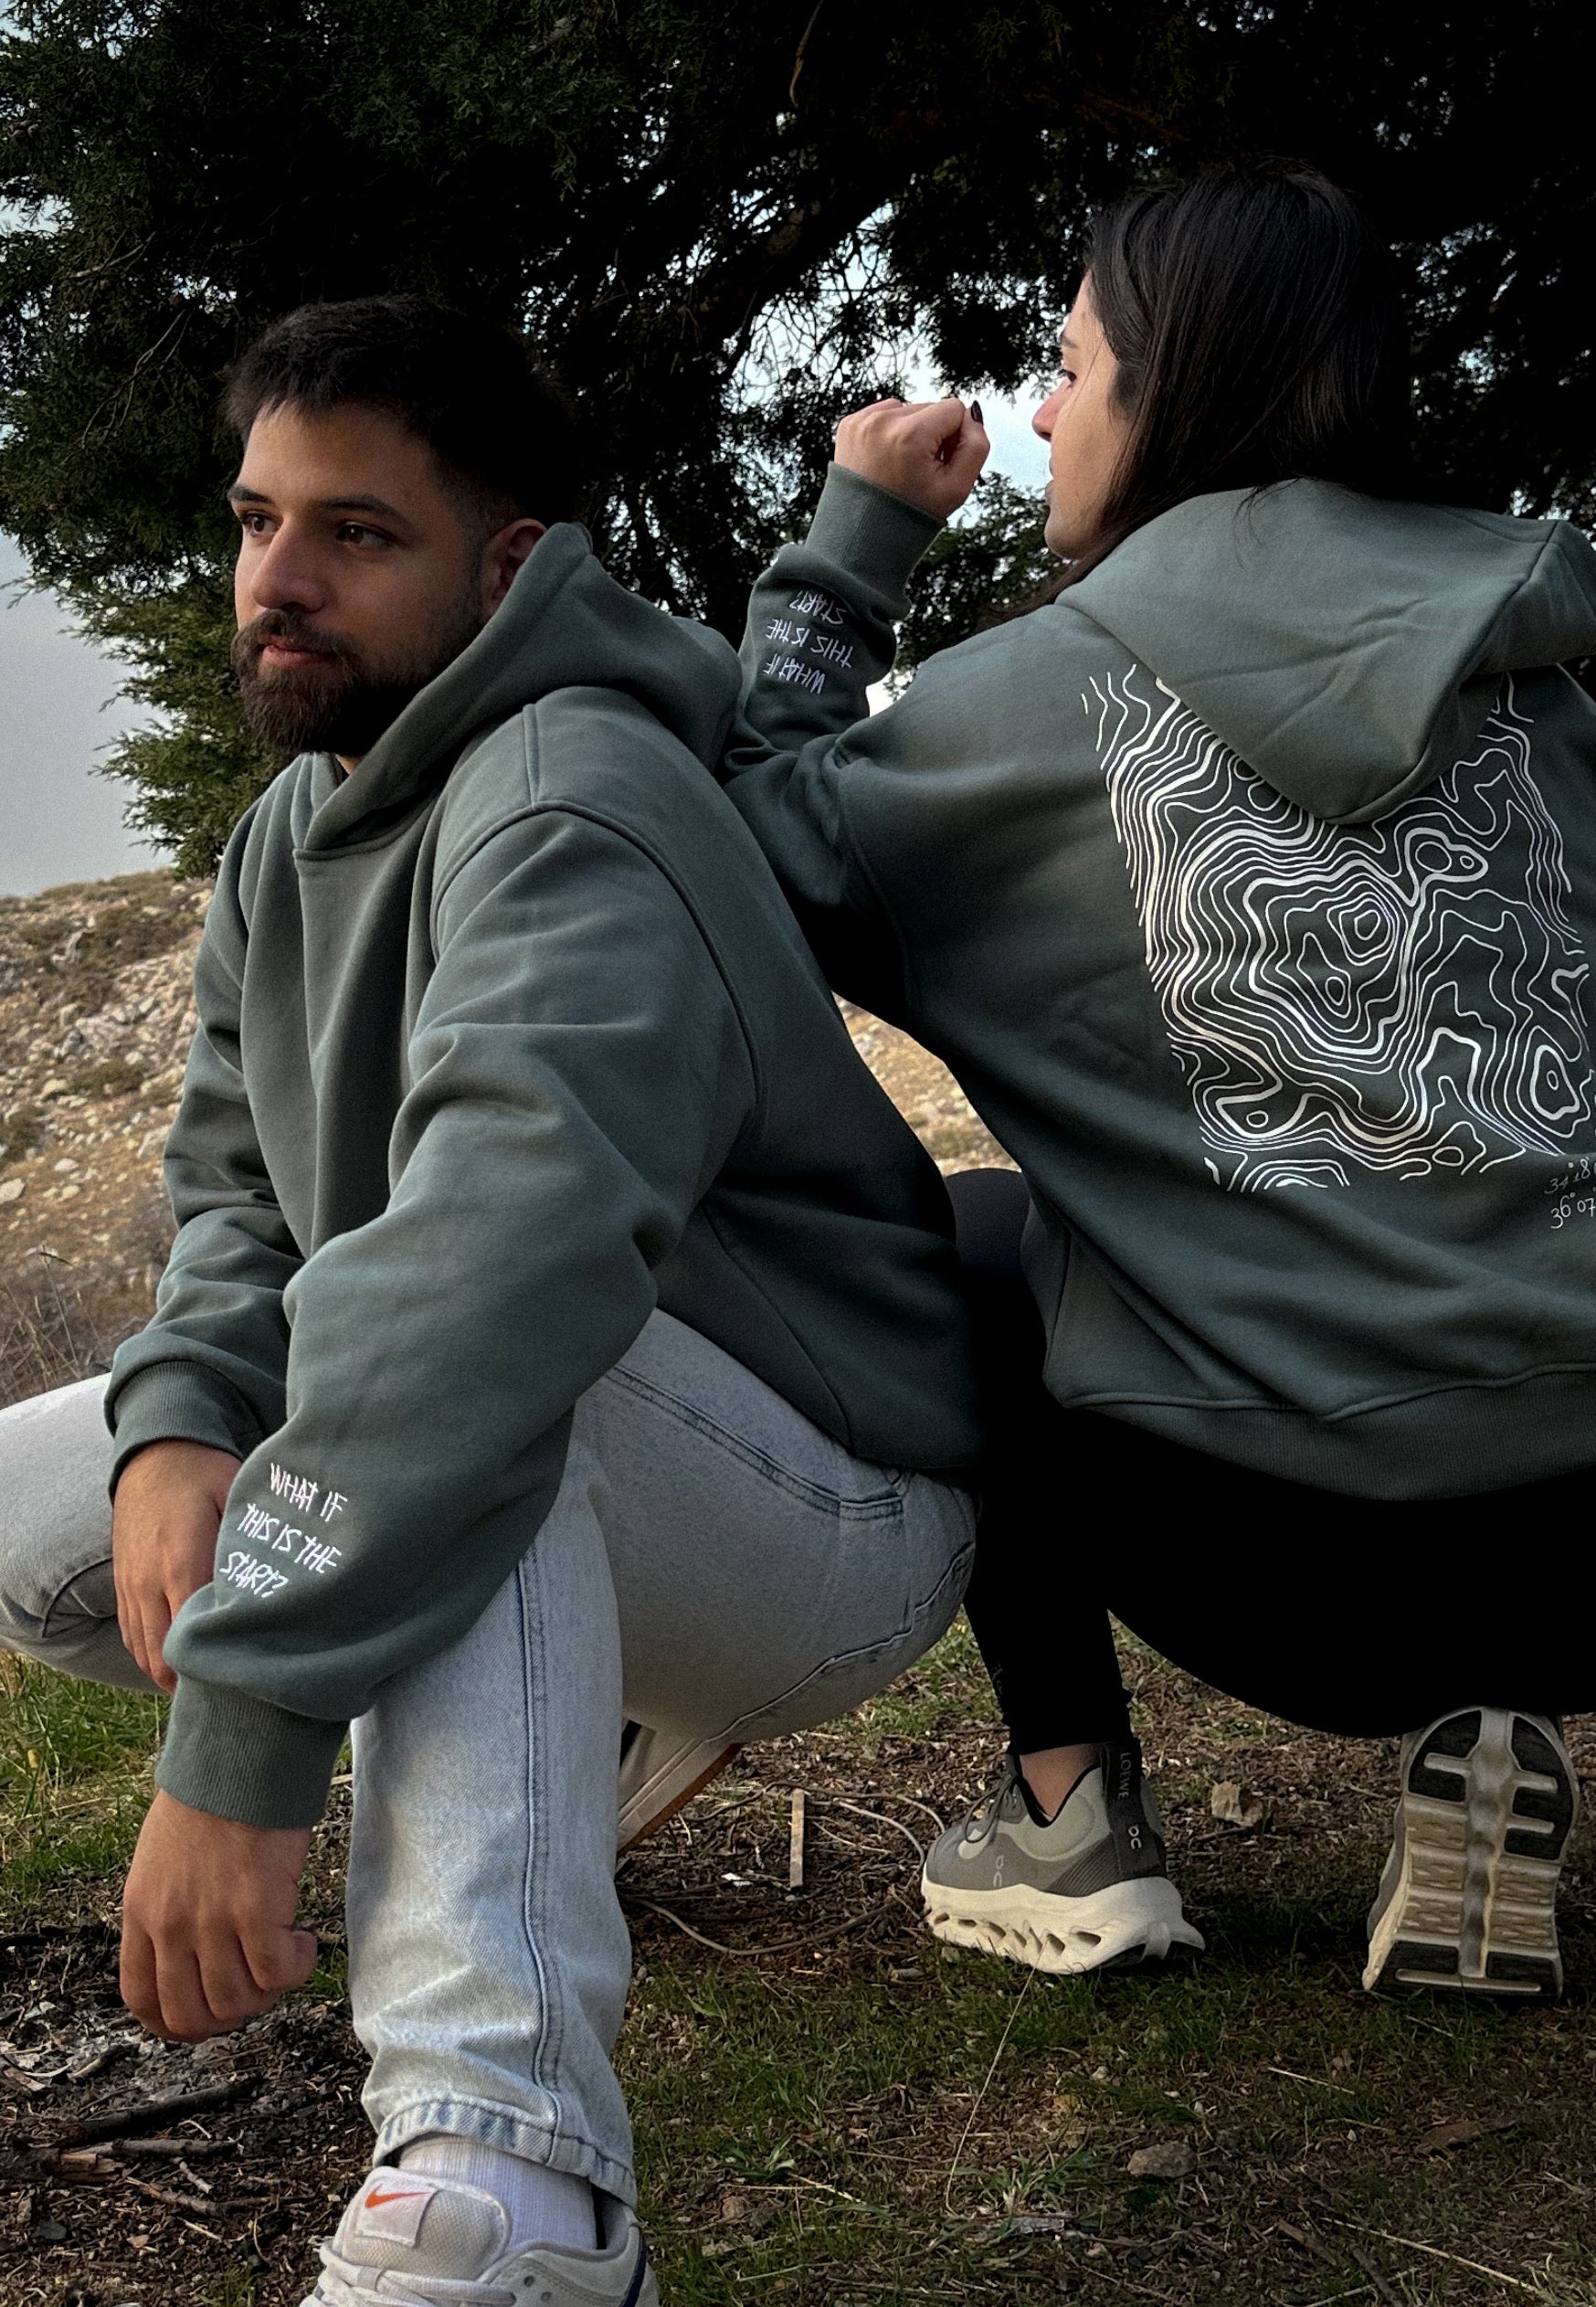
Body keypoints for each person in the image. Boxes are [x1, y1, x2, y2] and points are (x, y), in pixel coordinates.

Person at [0, 295, 979, 2306]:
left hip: (838, 1511)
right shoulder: (289, 830)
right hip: (574, 1427)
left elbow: (491, 1292)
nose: (278, 579)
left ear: (508, 562)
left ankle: (514, 2181)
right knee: (38, 1526)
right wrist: (180, 1422)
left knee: (475, 1404)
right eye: (258, 520)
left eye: (357, 533)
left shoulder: (578, 802)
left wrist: (245, 1736)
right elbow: (237, 1185)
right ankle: (520, 1705)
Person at [697, 161, 1596, 2002]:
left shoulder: (1011, 715)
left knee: (969, 1241)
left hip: (1281, 1575)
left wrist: (852, 542)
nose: (1039, 413)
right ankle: (1490, 1742)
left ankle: (1068, 1813)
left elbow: (748, 842)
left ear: (1168, 386)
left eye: (1068, 366)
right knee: (1524, 1239)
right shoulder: (1547, 700)